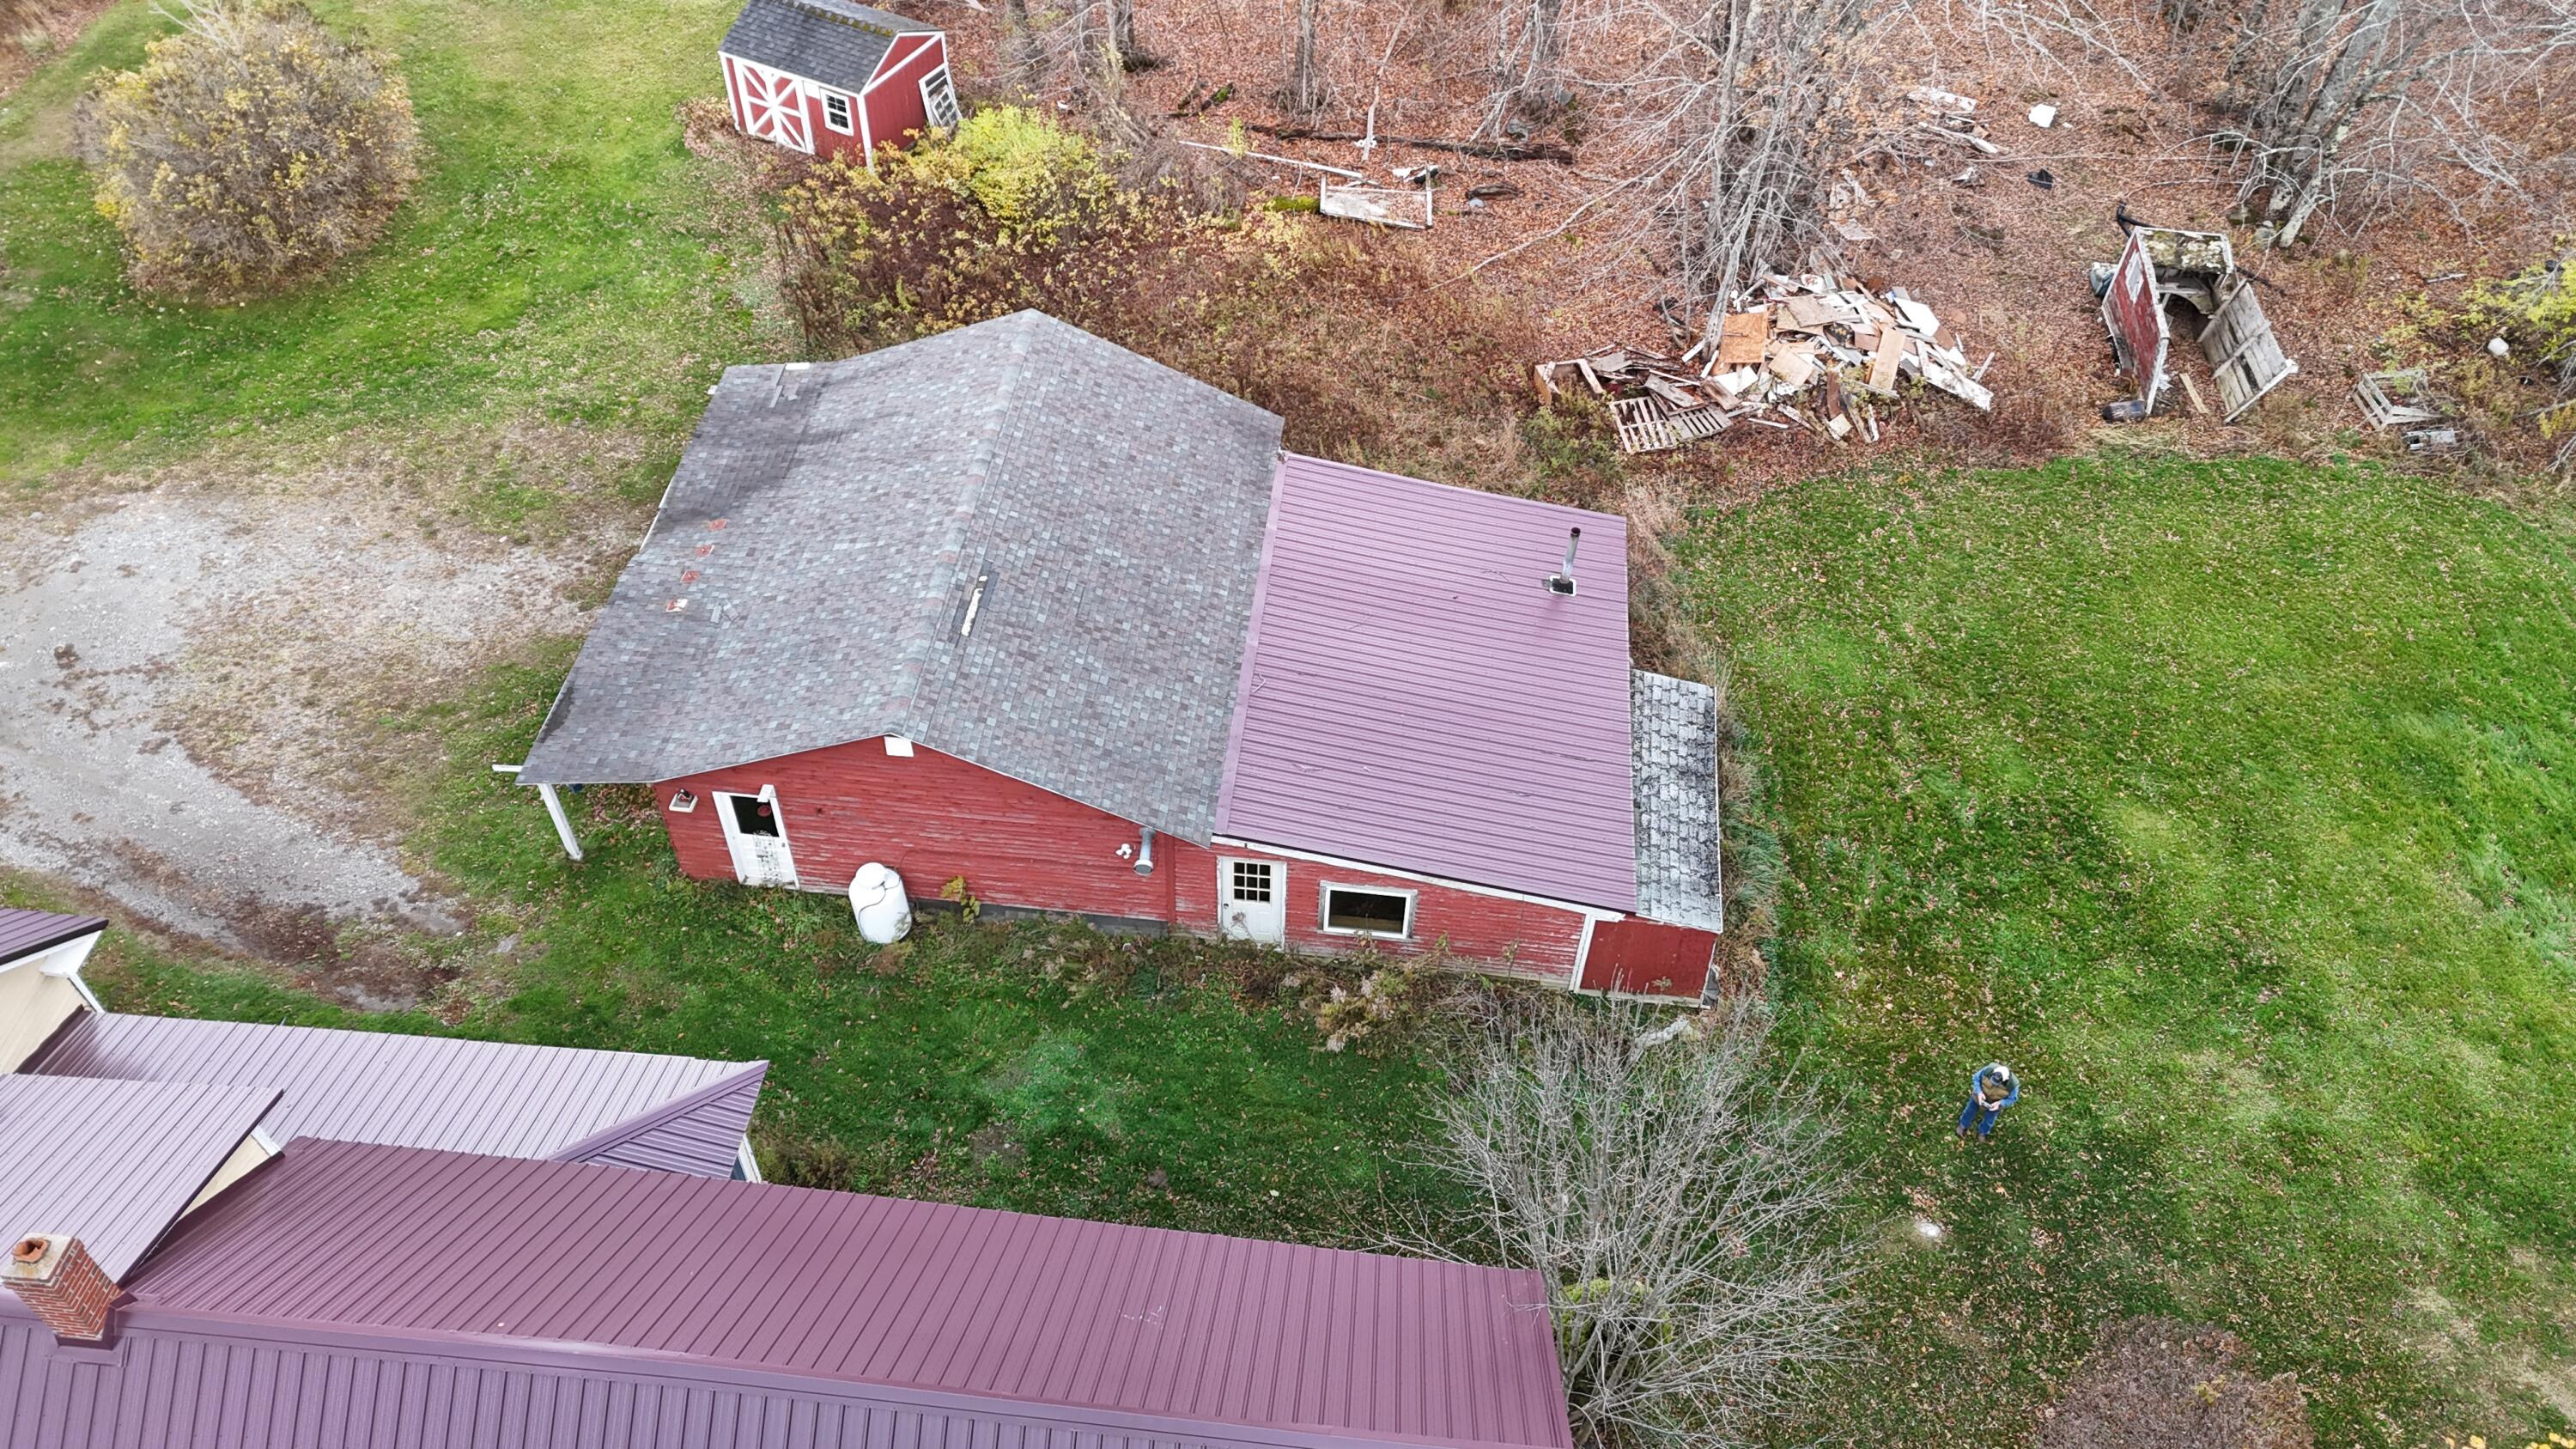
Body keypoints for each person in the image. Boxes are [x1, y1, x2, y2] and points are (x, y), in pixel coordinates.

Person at [1956, 1062, 2018, 1141]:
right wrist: (1979, 1092)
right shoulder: (1988, 1070)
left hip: (1995, 1104)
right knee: (1969, 1111)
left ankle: (1983, 1133)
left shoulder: (2013, 1085)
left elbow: (2012, 1099)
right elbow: (1976, 1078)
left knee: (1989, 1120)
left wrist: (2001, 1103)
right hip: (1978, 1097)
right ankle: (1963, 1125)